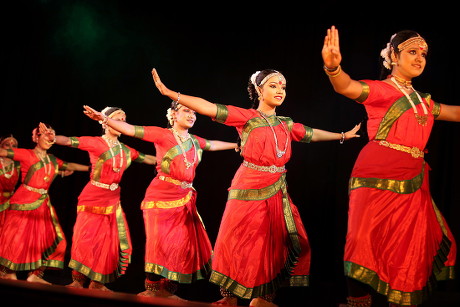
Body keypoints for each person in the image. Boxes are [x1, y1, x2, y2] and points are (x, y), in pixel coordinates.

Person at [151, 68, 361, 307]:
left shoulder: (285, 123)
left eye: (283, 86)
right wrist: (171, 93)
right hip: (248, 185)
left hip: (277, 187)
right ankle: (229, 297)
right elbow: (208, 106)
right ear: (259, 90)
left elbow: (311, 134)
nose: (280, 90)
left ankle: (262, 298)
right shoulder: (247, 117)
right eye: (273, 86)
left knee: (279, 243)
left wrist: (342, 135)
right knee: (240, 241)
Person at [321, 26, 459, 306]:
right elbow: (347, 87)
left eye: (423, 54)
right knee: (364, 240)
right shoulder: (381, 90)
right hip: (376, 173)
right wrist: (333, 68)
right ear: (393, 56)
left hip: (413, 179)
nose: (419, 58)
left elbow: (456, 112)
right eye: (412, 52)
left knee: (409, 245)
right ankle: (358, 301)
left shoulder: (424, 102)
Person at [82, 100, 238, 300]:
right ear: (173, 114)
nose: (191, 115)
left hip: (184, 199)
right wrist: (103, 118)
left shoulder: (194, 141)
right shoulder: (162, 134)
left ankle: (167, 291)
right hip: (160, 197)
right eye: (185, 111)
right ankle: (153, 290)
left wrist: (237, 144)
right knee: (159, 244)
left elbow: (213, 144)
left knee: (181, 246)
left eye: (194, 112)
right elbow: (130, 130)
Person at [54, 106, 156, 291]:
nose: (122, 122)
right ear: (105, 121)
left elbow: (147, 158)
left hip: (113, 199)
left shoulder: (126, 150)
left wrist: (168, 157)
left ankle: (97, 283)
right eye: (118, 118)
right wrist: (51, 138)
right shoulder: (95, 143)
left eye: (124, 119)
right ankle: (77, 281)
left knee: (110, 241)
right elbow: (69, 141)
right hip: (93, 197)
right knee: (86, 239)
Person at [0, 123, 89, 283]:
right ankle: (8, 272)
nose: (49, 137)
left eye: (52, 135)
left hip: (42, 205)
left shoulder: (53, 160)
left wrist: (92, 168)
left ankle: (35, 275)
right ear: (35, 138)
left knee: (54, 240)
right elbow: (4, 152)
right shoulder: (25, 154)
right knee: (16, 239)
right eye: (45, 134)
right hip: (23, 202)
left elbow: (69, 165)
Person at [0, 135, 20, 228]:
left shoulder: (18, 165)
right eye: (7, 145)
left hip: (10, 205)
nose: (11, 148)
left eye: (14, 146)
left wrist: (58, 171)